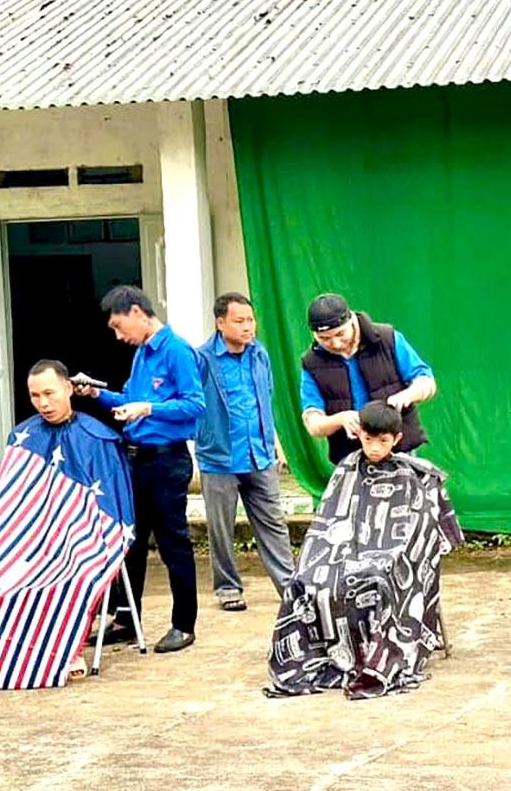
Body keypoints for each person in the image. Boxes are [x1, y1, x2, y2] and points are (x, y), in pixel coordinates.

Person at [0, 360, 135, 688]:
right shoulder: (24, 437)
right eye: (34, 395)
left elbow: (113, 510)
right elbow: (9, 506)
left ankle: (64, 652)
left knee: (60, 583)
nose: (43, 403)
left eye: (50, 393)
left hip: (78, 542)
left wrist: (74, 537)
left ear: (69, 389)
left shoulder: (98, 439)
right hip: (27, 542)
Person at [264, 401, 464, 699]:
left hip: (391, 557)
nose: (374, 448)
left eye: (382, 441)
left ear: (396, 440)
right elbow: (329, 520)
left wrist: (387, 556)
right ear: (358, 435)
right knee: (306, 582)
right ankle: (321, 657)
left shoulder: (413, 475)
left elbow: (417, 533)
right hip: (343, 552)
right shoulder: (347, 469)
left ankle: (377, 660)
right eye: (368, 440)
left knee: (378, 579)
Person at [73, 286, 205, 654]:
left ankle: (184, 624)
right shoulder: (141, 355)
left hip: (166, 459)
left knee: (172, 542)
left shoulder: (176, 350)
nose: (118, 336)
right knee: (130, 542)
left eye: (119, 326)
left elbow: (195, 405)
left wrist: (148, 409)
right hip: (135, 457)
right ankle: (128, 620)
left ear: (137, 312)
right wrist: (96, 394)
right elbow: (129, 401)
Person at [195, 292, 294, 612]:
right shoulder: (202, 359)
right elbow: (193, 403)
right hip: (220, 456)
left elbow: (265, 398)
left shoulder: (259, 353)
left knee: (274, 523)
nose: (248, 327)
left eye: (250, 320)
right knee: (221, 527)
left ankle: (290, 585)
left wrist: (275, 441)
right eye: (239, 321)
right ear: (220, 323)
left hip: (259, 453)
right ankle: (227, 587)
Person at [300, 293, 436, 464]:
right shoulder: (311, 363)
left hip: (399, 450)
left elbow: (427, 382)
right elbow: (313, 423)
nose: (335, 343)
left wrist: (407, 395)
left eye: (340, 334)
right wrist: (340, 419)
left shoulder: (388, 339)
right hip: (350, 456)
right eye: (324, 339)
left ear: (351, 320)